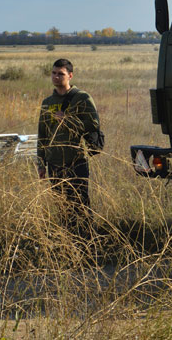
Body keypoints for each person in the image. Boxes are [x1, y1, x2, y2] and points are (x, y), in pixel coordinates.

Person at [37, 58, 101, 225]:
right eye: (54, 73)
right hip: (54, 162)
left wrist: (68, 120)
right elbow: (42, 134)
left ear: (70, 75)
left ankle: (86, 241)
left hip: (76, 160)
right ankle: (67, 241)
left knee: (80, 205)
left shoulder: (82, 98)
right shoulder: (47, 103)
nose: (56, 77)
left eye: (61, 74)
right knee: (62, 206)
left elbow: (93, 124)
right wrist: (41, 163)